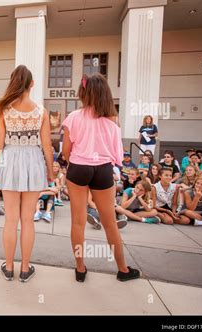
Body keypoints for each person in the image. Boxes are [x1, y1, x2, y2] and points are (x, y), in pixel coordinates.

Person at [62, 73, 140, 283]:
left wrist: (77, 162)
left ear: (83, 92)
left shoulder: (73, 117)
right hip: (103, 170)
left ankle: (80, 269)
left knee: (77, 222)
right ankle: (123, 270)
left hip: (78, 168)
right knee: (110, 223)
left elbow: (66, 151)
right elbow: (117, 154)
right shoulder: (113, 120)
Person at [0, 64, 54, 282]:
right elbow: (47, 145)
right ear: (32, 84)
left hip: (9, 160)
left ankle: (9, 267)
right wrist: (51, 172)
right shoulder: (41, 112)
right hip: (34, 161)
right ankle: (25, 269)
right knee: (28, 220)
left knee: (10, 219)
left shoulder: (3, 110)